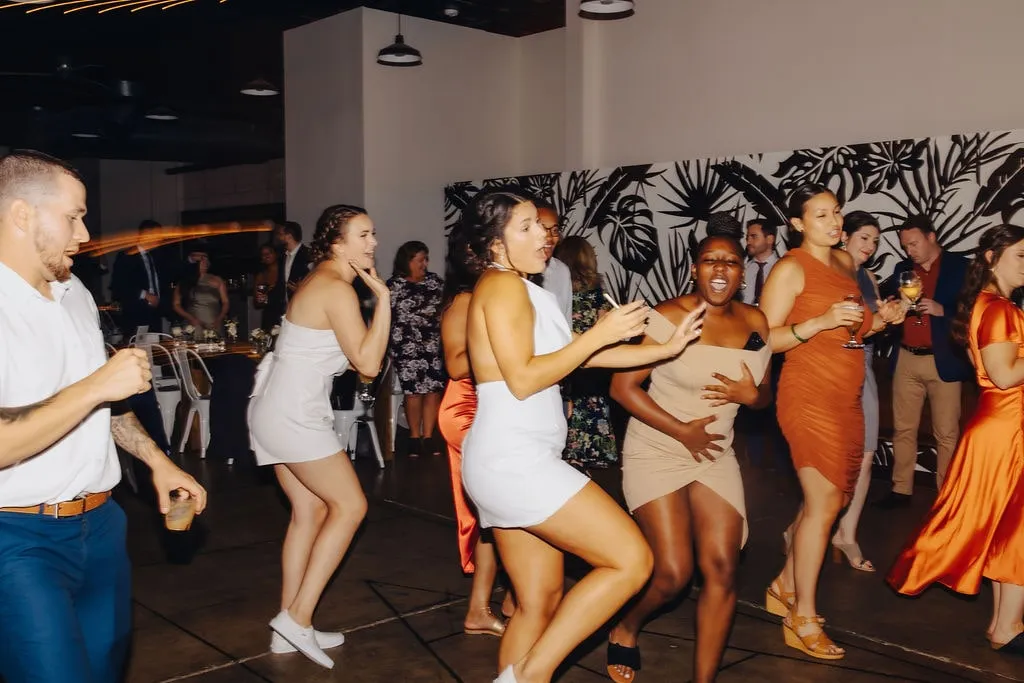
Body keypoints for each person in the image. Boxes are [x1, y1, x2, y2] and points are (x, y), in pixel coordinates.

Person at [457, 188, 706, 683]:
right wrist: (603, 331)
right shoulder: (501, 286)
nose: (543, 237)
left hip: (511, 460)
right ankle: (532, 675)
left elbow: (583, 356)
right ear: (494, 243)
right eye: (525, 227)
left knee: (539, 601)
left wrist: (666, 348)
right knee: (632, 561)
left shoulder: (528, 290)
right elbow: (525, 378)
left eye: (544, 226)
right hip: (515, 461)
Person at [0, 150, 207, 683]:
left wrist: (158, 461)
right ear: (22, 215)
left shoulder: (76, 295)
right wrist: (96, 385)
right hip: (19, 539)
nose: (86, 233)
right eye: (73, 216)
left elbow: (106, 408)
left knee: (104, 670)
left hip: (102, 527)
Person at [606, 235, 772, 683]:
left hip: (714, 454)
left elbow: (763, 394)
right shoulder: (669, 317)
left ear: (741, 272)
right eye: (709, 261)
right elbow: (621, 389)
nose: (720, 270)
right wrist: (682, 431)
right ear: (694, 268)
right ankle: (627, 625)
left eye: (731, 262)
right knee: (674, 574)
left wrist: (752, 396)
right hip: (658, 448)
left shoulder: (755, 321)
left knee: (722, 567)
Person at [758, 183, 904, 660]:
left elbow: (857, 327)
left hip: (848, 395)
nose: (834, 222)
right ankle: (803, 615)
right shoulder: (789, 268)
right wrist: (817, 323)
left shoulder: (844, 264)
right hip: (807, 395)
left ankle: (782, 584)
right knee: (823, 504)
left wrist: (884, 319)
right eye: (820, 215)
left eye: (836, 212)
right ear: (798, 224)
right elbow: (763, 340)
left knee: (836, 497)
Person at [248, 204, 390, 669]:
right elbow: (368, 366)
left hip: (274, 406)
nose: (372, 243)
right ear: (336, 243)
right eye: (363, 235)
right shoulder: (336, 287)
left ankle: (288, 627)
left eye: (372, 234)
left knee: (308, 512)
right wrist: (384, 302)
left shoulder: (321, 282)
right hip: (293, 414)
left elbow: (344, 356)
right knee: (351, 507)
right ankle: (299, 617)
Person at [888, 224, 1024, 658]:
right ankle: (1006, 624)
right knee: (1018, 528)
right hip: (1008, 427)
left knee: (1010, 527)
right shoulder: (1000, 308)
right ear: (990, 258)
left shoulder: (982, 304)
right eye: (1021, 254)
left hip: (997, 423)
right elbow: (1003, 375)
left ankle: (1006, 622)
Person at [438, 228, 511, 638]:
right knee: (493, 512)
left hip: (489, 408)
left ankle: (507, 598)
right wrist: (503, 348)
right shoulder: (464, 301)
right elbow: (455, 364)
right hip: (467, 410)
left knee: (499, 509)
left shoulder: (490, 296)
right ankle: (481, 608)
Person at [878, 215, 972, 507]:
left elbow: (976, 309)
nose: (909, 251)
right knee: (903, 429)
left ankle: (946, 496)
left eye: (914, 243)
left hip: (943, 360)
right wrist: (895, 305)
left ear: (932, 237)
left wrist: (944, 311)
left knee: (946, 433)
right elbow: (884, 299)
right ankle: (900, 490)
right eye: (905, 246)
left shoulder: (961, 267)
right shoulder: (903, 269)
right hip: (906, 357)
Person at [831, 211, 885, 572]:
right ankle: (801, 526)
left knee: (866, 454)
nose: (870, 246)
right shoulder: (830, 273)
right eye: (864, 237)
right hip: (834, 366)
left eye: (875, 241)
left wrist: (887, 314)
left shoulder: (868, 276)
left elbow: (872, 324)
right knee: (831, 460)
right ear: (844, 236)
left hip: (863, 365)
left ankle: (846, 532)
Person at [554, 235, 618, 470]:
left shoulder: (554, 293)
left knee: (565, 408)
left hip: (563, 359)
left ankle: (567, 458)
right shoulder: (597, 294)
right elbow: (607, 329)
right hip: (592, 361)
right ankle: (591, 455)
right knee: (593, 405)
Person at [388, 240, 445, 456]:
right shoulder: (394, 285)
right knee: (413, 393)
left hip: (433, 344)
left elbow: (445, 309)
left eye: (426, 259)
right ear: (408, 260)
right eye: (420, 259)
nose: (425, 263)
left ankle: (429, 436)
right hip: (406, 346)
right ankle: (413, 436)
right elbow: (385, 317)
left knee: (432, 391)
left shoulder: (435, 282)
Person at [111, 218, 166, 336]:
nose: (161, 239)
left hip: (154, 312)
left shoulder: (154, 256)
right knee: (138, 348)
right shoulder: (127, 256)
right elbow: (119, 284)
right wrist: (145, 295)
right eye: (158, 235)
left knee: (155, 348)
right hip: (136, 313)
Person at [172, 249, 229, 338]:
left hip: (214, 322)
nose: (205, 262)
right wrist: (191, 318)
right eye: (202, 260)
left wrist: (219, 319)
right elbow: (176, 304)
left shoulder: (217, 280)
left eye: (206, 259)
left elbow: (226, 302)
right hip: (195, 323)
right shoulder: (186, 281)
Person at [536, 199, 572, 325]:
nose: (550, 237)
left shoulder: (561, 270)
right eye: (543, 228)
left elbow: (565, 325)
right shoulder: (509, 276)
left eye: (555, 230)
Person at [274, 220, 312, 302]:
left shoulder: (308, 255)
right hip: (286, 308)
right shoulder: (282, 256)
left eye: (280, 234)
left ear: (289, 236)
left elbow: (318, 283)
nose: (277, 237)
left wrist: (302, 290)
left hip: (303, 305)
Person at [253, 243, 286, 330]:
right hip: (269, 315)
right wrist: (260, 300)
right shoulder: (261, 276)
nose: (266, 256)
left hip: (284, 313)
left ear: (276, 254)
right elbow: (256, 304)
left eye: (269, 253)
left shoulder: (285, 271)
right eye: (263, 254)